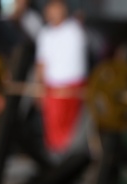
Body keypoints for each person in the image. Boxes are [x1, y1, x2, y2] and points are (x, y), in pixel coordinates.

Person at [35, 0, 88, 159]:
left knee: (75, 129)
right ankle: (56, 160)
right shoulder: (45, 34)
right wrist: (39, 87)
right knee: (54, 130)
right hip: (54, 89)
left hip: (75, 88)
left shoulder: (75, 29)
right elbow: (41, 63)